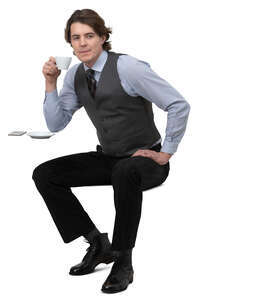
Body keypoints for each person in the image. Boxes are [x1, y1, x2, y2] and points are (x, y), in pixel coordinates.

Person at [32, 9, 190, 294]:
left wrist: (165, 153)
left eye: (89, 36)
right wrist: (50, 83)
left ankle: (123, 261)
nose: (82, 43)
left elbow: (178, 105)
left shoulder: (128, 68)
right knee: (45, 174)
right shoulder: (76, 75)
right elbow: (56, 123)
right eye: (75, 38)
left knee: (126, 169)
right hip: (110, 157)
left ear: (103, 38)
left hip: (146, 161)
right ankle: (97, 243)